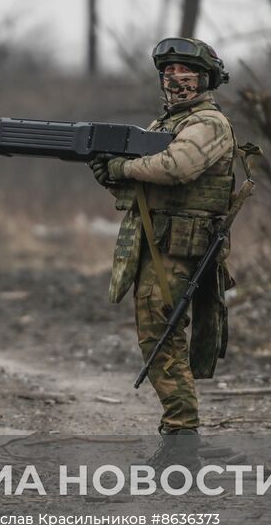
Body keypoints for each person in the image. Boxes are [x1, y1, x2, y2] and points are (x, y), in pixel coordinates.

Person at [89, 37, 243, 468]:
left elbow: (177, 167)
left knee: (163, 338)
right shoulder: (165, 124)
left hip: (180, 249)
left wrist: (122, 166)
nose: (176, 78)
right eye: (169, 71)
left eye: (186, 72)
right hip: (157, 242)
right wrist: (111, 174)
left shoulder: (208, 123)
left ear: (207, 79)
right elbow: (143, 186)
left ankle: (181, 442)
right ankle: (181, 437)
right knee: (158, 337)